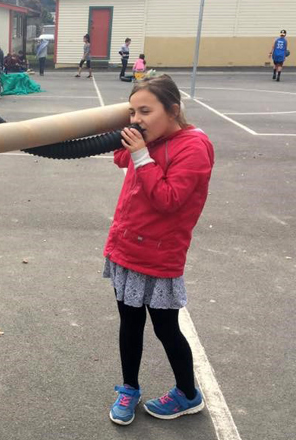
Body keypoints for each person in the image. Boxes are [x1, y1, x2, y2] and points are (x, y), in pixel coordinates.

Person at [106, 75, 214, 425]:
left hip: (158, 254)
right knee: (129, 323)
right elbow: (120, 159)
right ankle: (129, 387)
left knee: (166, 328)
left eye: (146, 111)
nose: (137, 118)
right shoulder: (151, 139)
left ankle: (188, 393)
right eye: (133, 111)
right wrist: (133, 143)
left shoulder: (193, 147)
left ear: (173, 110)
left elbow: (169, 200)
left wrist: (141, 155)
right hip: (126, 247)